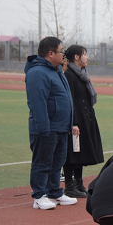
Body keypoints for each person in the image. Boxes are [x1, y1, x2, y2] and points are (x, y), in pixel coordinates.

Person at [25, 37, 77, 210]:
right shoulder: (38, 72)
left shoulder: (56, 70)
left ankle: (54, 192)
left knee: (57, 162)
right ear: (50, 53)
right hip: (47, 128)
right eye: (61, 51)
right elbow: (37, 103)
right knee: (42, 162)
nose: (63, 54)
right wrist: (44, 128)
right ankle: (39, 196)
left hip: (61, 127)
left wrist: (68, 124)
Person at [61, 45, 104, 198]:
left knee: (80, 151)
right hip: (76, 120)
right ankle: (69, 186)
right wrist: (73, 123)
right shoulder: (70, 75)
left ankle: (79, 183)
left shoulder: (83, 74)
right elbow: (70, 100)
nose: (87, 57)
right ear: (76, 57)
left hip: (86, 118)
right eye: (84, 54)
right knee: (72, 152)